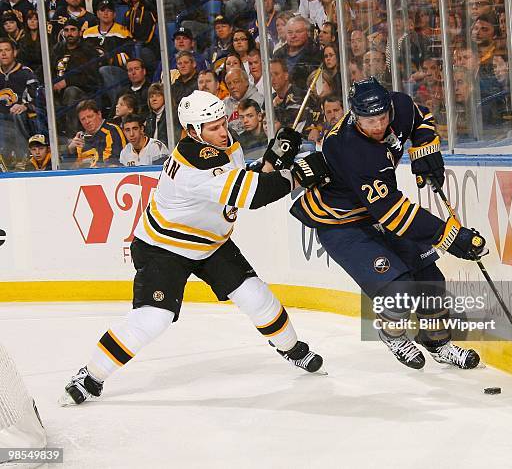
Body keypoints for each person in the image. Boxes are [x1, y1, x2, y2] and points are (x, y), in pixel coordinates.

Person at [60, 90, 331, 405]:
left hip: (210, 243)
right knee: (153, 318)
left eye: (222, 123)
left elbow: (243, 183)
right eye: (213, 127)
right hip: (164, 248)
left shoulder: (220, 144)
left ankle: (293, 350)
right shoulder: (194, 164)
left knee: (258, 297)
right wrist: (297, 175)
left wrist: (272, 162)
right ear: (192, 132)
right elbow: (252, 197)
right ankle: (90, 377)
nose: (222, 131)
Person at [290, 77, 486, 370]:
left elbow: (422, 119)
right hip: (342, 223)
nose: (378, 126)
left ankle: (437, 342)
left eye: (382, 117)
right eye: (369, 121)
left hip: (377, 211)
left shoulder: (399, 106)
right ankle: (391, 333)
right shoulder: (347, 148)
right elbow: (394, 214)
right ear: (355, 116)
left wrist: (425, 149)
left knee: (431, 280)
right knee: (399, 290)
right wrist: (450, 235)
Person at [51, 18, 99, 138]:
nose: (69, 33)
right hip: (58, 92)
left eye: (73, 30)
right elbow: (46, 70)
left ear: (79, 32)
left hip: (84, 93)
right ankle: (49, 140)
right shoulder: (57, 50)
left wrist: (66, 82)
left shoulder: (88, 50)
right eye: (66, 30)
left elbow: (91, 78)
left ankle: (71, 138)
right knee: (43, 95)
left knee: (70, 92)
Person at [82, 0, 134, 105]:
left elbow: (127, 58)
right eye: (102, 10)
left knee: (104, 70)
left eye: (109, 10)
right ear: (97, 13)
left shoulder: (123, 32)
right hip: (93, 72)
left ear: (114, 14)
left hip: (117, 71)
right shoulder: (87, 33)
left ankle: (116, 107)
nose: (105, 13)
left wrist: (107, 59)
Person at [0, 37, 38, 168]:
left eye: (7, 50)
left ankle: (23, 158)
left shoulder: (25, 73)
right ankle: (3, 159)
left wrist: (24, 106)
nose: (3, 53)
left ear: (14, 53)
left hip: (22, 118)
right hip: (2, 119)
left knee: (17, 114)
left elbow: (38, 97)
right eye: (0, 51)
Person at [67, 99, 127, 168]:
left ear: (99, 114)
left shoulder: (112, 130)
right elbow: (71, 167)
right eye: (83, 119)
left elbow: (113, 162)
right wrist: (70, 150)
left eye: (90, 116)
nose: (87, 121)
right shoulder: (79, 138)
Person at [223, 67, 263, 135]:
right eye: (229, 84)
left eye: (236, 82)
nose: (232, 86)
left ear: (246, 82)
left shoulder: (259, 100)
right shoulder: (224, 104)